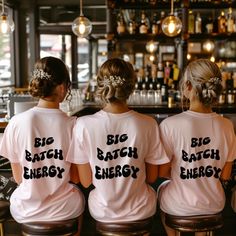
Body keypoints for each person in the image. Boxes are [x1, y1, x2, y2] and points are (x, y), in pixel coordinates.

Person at [66, 58, 169, 226]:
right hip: (140, 210)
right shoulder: (148, 123)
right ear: (131, 87)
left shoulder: (83, 125)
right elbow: (151, 178)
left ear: (101, 85)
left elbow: (85, 181)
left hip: (102, 211)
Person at [0, 57, 84, 233]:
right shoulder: (73, 125)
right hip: (63, 209)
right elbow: (75, 178)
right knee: (80, 199)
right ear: (62, 88)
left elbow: (19, 178)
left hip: (26, 209)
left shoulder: (16, 122)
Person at [157, 59, 236, 236]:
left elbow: (162, 172)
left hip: (179, 206)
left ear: (188, 87)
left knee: (162, 189)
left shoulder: (170, 125)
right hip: (214, 205)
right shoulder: (227, 125)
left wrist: (186, 171)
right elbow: (225, 175)